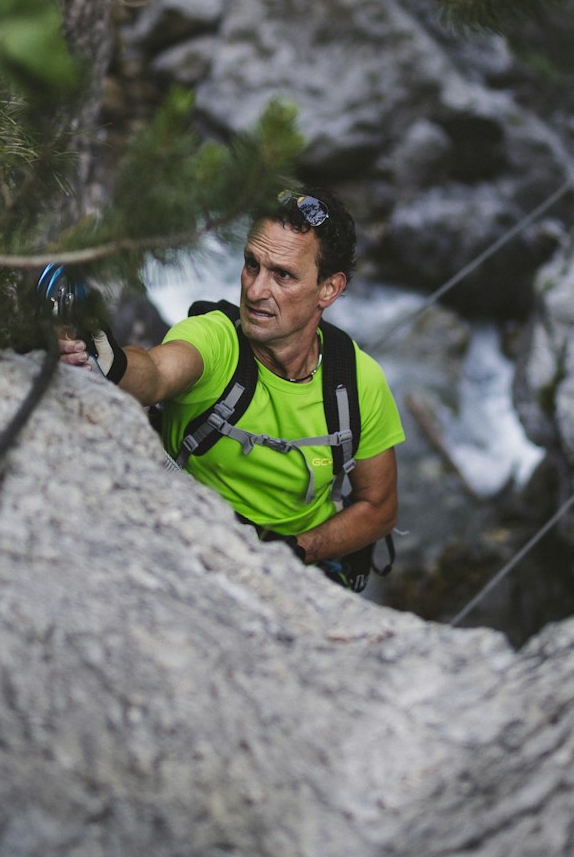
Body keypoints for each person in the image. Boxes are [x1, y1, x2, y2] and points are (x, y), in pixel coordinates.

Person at [58, 188, 405, 580]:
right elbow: (153, 375)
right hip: (185, 539)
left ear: (329, 289)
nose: (256, 291)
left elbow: (379, 508)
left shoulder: (357, 381)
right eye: (251, 264)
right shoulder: (216, 339)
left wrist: (293, 554)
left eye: (283, 275)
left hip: (299, 561)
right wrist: (109, 357)